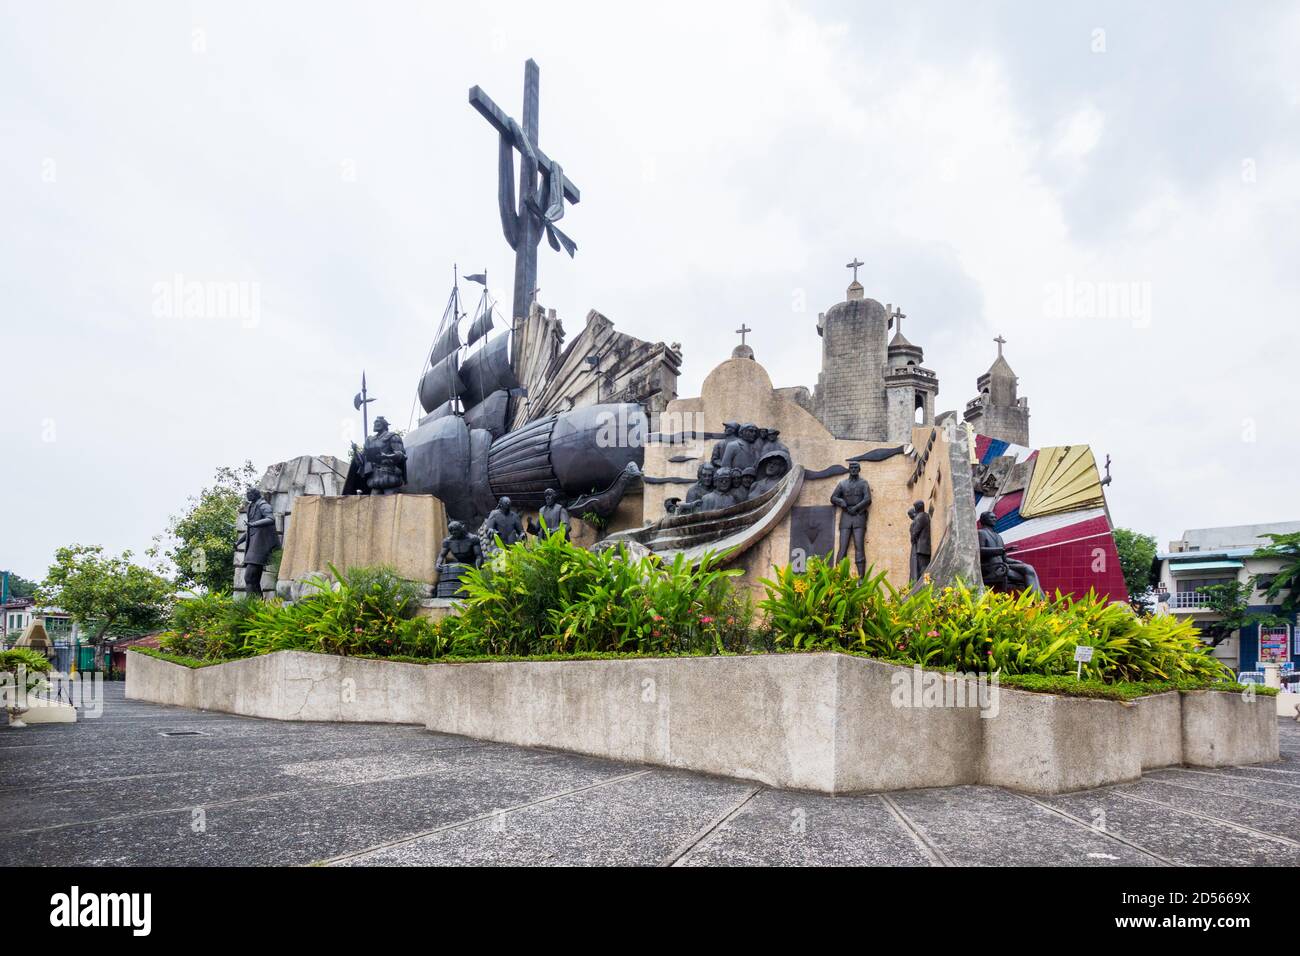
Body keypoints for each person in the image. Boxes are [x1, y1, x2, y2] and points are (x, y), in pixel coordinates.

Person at [977, 511, 1042, 595]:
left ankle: (1040, 600)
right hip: (991, 569)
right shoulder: (981, 533)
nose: (995, 519)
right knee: (1027, 573)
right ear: (984, 520)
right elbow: (980, 551)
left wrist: (1018, 562)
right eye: (992, 517)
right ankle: (1038, 601)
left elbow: (1004, 558)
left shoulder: (998, 536)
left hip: (1002, 566)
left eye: (995, 517)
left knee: (1028, 568)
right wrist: (1002, 550)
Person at [831, 461, 871, 576]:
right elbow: (833, 497)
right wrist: (841, 501)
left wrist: (857, 507)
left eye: (856, 468)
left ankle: (861, 577)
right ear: (849, 469)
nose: (853, 469)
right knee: (842, 548)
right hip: (846, 517)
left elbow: (868, 499)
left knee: (860, 547)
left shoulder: (863, 483)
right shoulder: (842, 484)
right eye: (851, 467)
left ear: (859, 470)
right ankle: (837, 575)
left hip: (859, 516)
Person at [238, 487, 278, 598]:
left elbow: (271, 519)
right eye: (247, 493)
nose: (247, 495)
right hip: (254, 546)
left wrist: (254, 524)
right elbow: (250, 530)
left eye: (250, 493)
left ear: (255, 494)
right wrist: (238, 543)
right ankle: (256, 604)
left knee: (249, 577)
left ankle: (252, 603)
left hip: (260, 547)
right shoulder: (251, 506)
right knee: (253, 579)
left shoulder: (263, 505)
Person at [436, 520, 484, 598]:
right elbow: (442, 555)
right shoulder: (448, 541)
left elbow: (479, 556)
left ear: (462, 529)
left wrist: (476, 570)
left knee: (474, 586)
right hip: (460, 565)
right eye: (452, 532)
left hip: (473, 564)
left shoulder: (473, 539)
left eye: (456, 530)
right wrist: (438, 564)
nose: (454, 533)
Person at [909, 500, 932, 582]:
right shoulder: (926, 515)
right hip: (924, 547)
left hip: (921, 548)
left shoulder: (920, 516)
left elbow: (915, 531)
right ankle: (926, 584)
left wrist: (912, 538)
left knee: (923, 568)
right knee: (924, 567)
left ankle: (926, 584)